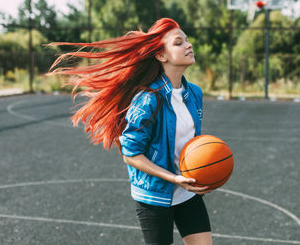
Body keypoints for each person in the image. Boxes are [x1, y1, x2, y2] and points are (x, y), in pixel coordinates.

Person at [48, 18, 213, 245]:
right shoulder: (148, 99)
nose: (188, 45)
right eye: (178, 42)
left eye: (187, 40)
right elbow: (131, 154)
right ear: (161, 55)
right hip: (153, 195)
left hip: (187, 193)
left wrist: (205, 168)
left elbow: (193, 144)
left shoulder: (194, 93)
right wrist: (174, 178)